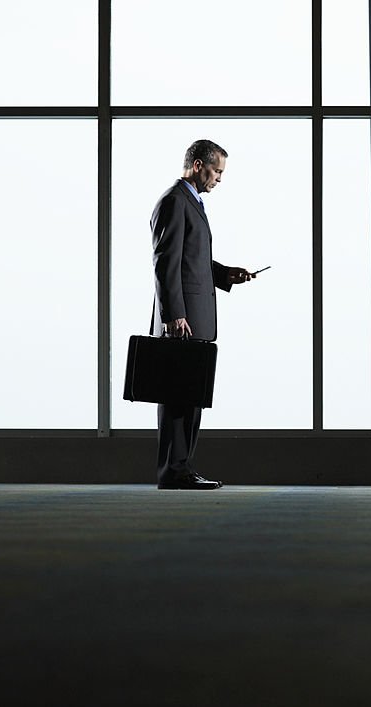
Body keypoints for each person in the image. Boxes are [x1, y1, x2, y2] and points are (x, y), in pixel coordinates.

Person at [150, 139, 254, 489]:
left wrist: (225, 275)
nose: (219, 179)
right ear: (198, 165)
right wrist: (173, 314)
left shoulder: (191, 204)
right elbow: (165, 262)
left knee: (189, 397)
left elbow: (192, 262)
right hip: (183, 321)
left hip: (193, 320)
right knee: (178, 400)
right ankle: (173, 471)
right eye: (217, 171)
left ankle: (181, 469)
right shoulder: (174, 202)